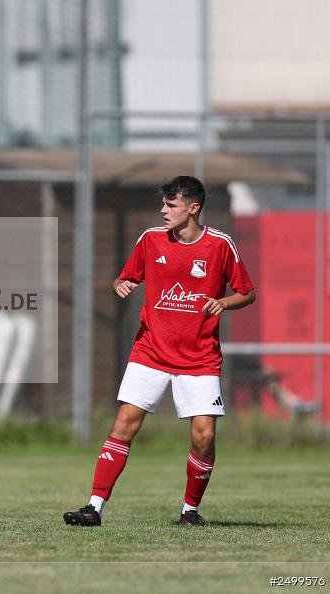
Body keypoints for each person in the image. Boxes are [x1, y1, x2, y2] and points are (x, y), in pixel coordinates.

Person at [62, 175, 256, 527]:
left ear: (193, 209)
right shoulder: (150, 240)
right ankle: (93, 508)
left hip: (199, 357)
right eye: (163, 204)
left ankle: (189, 511)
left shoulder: (220, 245)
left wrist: (223, 303)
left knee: (204, 436)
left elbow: (247, 292)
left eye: (172, 205)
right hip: (150, 351)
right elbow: (125, 277)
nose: (163, 211)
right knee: (124, 424)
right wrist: (121, 284)